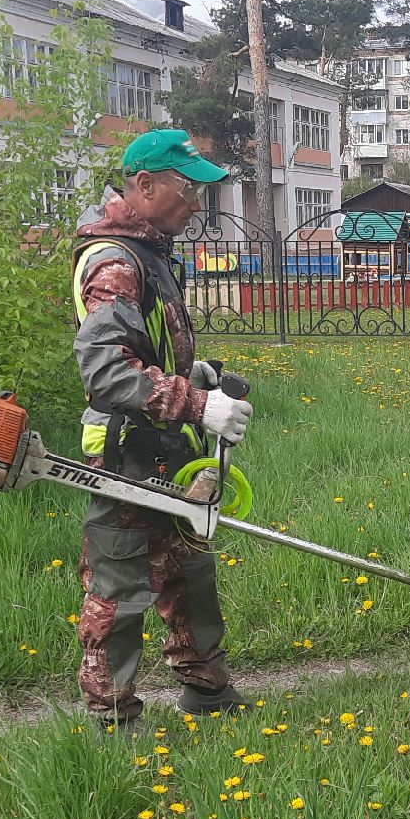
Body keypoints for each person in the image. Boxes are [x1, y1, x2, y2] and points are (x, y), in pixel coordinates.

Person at [70, 129, 254, 730]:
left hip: (166, 446)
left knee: (187, 570)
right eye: (186, 189)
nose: (196, 204)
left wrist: (189, 372)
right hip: (127, 452)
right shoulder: (116, 262)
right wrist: (198, 405)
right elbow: (105, 370)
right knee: (121, 583)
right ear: (144, 185)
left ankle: (206, 689)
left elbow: (139, 347)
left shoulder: (147, 252)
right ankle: (112, 719)